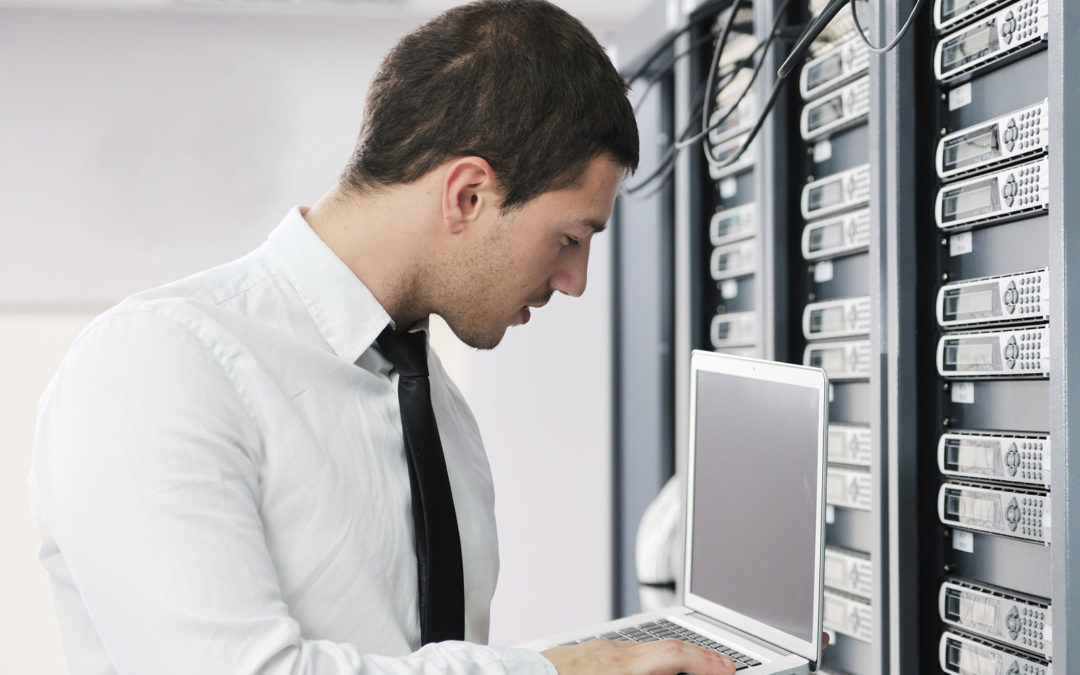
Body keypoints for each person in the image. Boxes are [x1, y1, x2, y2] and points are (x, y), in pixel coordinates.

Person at [29, 1, 739, 674]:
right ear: (469, 194)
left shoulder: (441, 414)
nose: (575, 279)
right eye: (569, 237)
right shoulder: (159, 364)